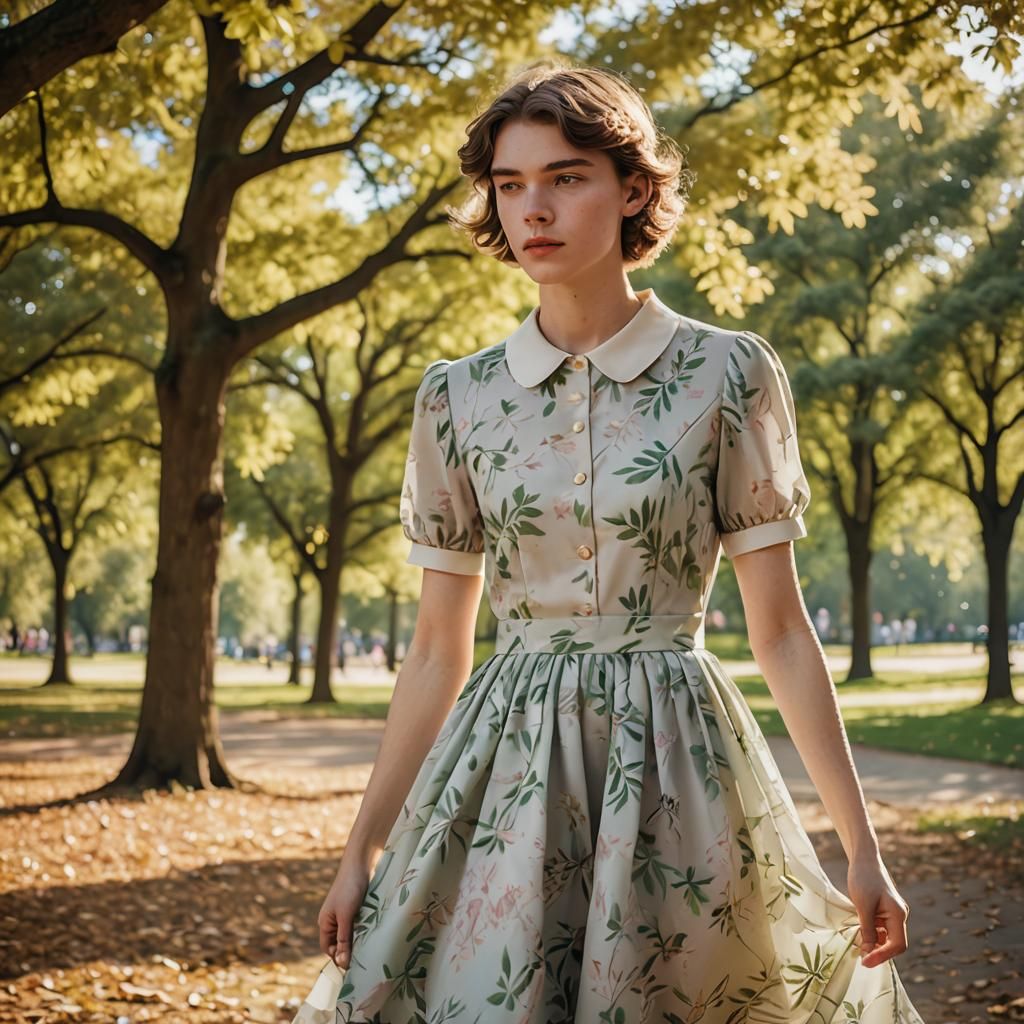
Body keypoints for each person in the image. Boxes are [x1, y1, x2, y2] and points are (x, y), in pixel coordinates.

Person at [291, 61, 923, 1023]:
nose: (531, 210)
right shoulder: (456, 398)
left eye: (565, 177)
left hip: (680, 768)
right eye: (509, 186)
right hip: (502, 775)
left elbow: (784, 633)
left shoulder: (728, 373)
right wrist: (359, 850)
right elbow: (432, 648)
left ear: (633, 190)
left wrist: (861, 847)